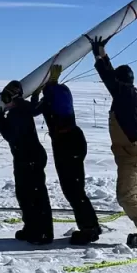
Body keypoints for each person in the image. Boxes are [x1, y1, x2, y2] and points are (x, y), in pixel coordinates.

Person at [89, 36, 137, 248]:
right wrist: (102, 54)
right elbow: (111, 79)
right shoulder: (126, 93)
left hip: (132, 153)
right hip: (131, 152)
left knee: (126, 196)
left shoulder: (126, 94)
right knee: (136, 194)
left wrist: (99, 55)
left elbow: (108, 78)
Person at [31, 64, 101, 245]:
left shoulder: (50, 101)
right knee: (76, 189)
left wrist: (35, 94)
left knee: (73, 190)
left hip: (65, 145)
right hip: (75, 141)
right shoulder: (63, 93)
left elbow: (33, 111)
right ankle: (91, 225)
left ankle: (89, 228)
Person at [0, 79, 54, 245]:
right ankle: (31, 228)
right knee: (25, 195)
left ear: (14, 98)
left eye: (6, 98)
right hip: (26, 158)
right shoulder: (23, 108)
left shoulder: (17, 112)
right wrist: (35, 97)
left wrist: (1, 123)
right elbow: (35, 108)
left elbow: (12, 137)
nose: (4, 102)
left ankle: (42, 233)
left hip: (29, 158)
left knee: (34, 196)